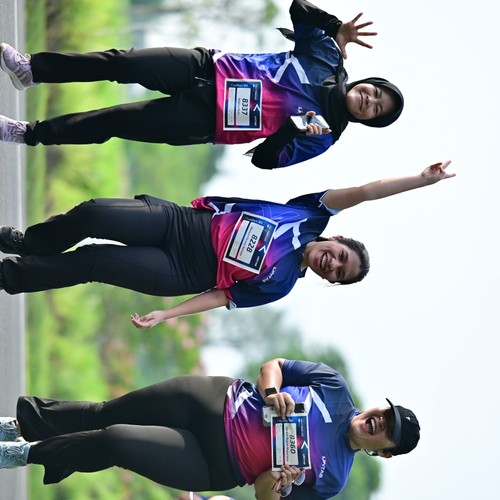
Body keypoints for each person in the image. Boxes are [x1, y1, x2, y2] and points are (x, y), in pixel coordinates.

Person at [0, 161, 454, 324]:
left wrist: (167, 314)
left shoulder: (280, 284)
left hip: (183, 272)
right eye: (340, 256)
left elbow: (221, 297)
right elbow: (368, 191)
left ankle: (11, 275)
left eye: (337, 273)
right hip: (184, 225)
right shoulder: (310, 215)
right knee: (95, 213)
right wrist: (420, 180)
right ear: (335, 238)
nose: (332, 264)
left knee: (94, 263)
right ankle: (30, 242)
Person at [0, 0, 403, 169]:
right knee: (121, 62)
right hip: (207, 67)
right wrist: (335, 27)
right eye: (375, 92)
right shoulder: (328, 58)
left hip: (202, 121)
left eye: (376, 109)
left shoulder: (324, 136)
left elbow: (265, 161)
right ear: (368, 82)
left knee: (114, 121)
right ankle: (33, 70)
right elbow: (299, 7)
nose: (369, 100)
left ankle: (28, 133)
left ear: (369, 120)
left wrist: (290, 131)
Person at [0, 357, 421, 499]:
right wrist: (272, 392)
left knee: (116, 441)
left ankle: (25, 453)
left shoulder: (333, 480)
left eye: (388, 430)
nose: (379, 421)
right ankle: (23, 424)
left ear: (383, 451)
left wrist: (277, 481)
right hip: (210, 399)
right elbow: (273, 366)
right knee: (105, 414)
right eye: (385, 413)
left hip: (211, 464)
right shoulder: (333, 386)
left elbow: (264, 496)